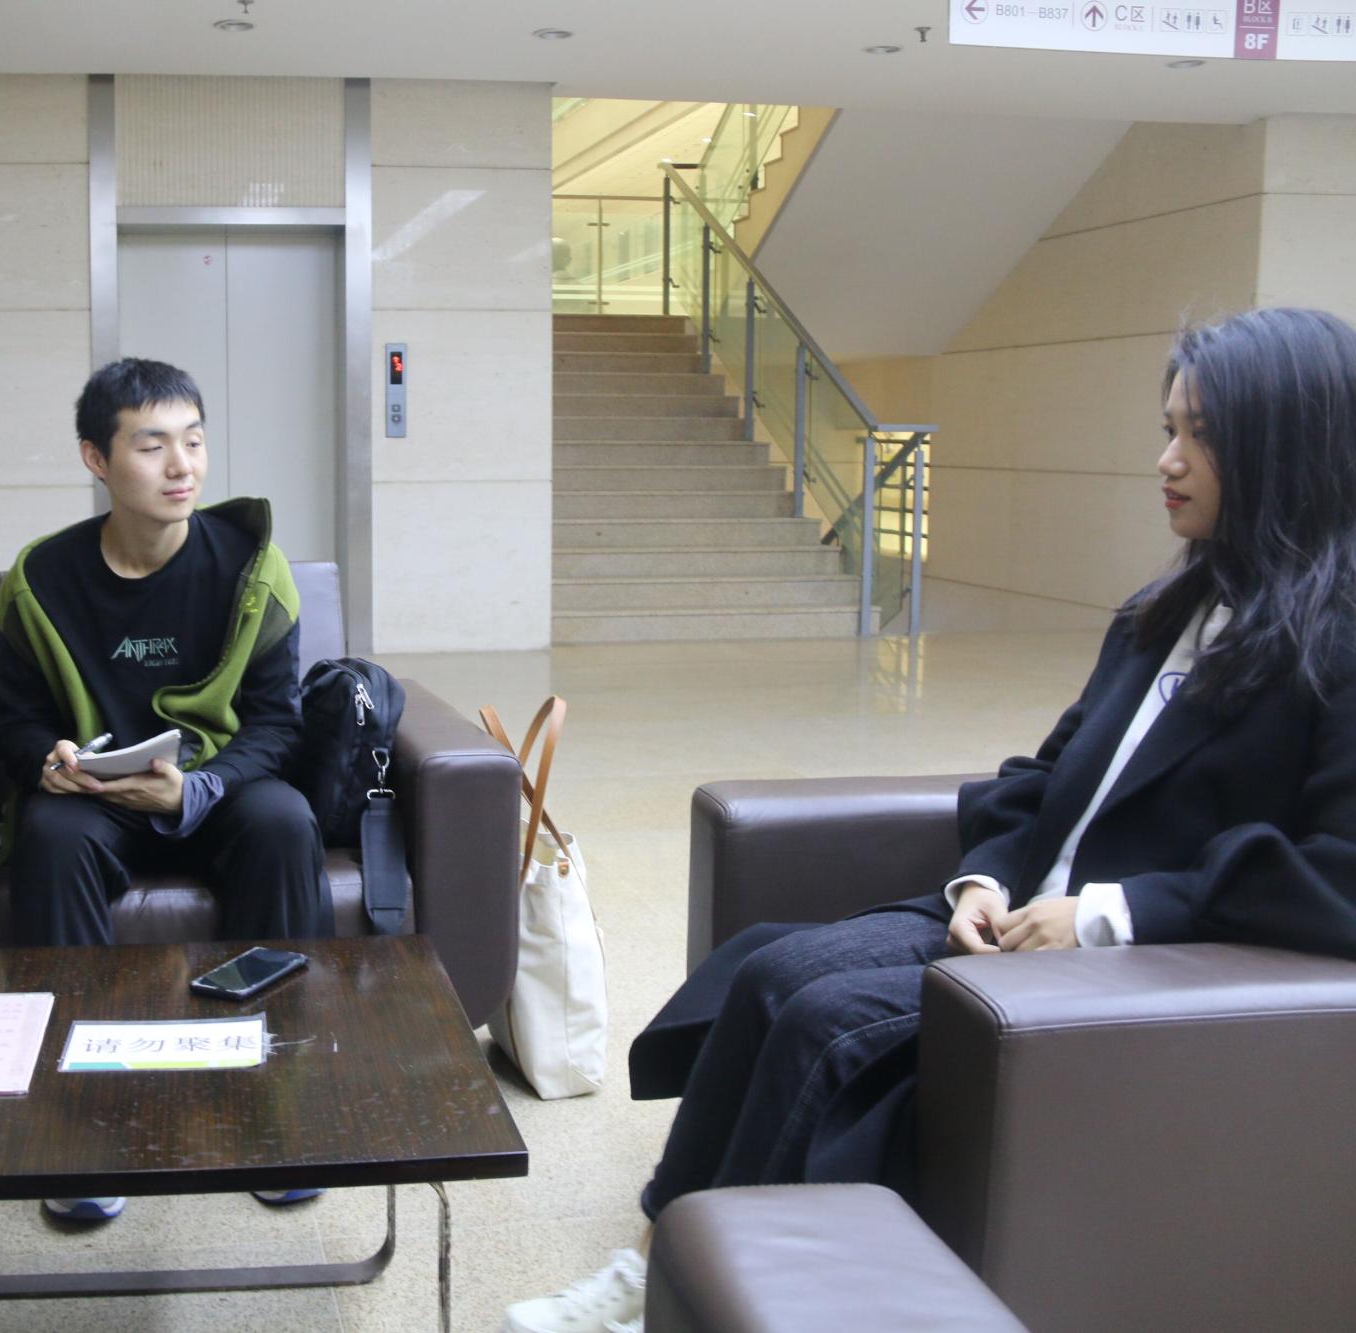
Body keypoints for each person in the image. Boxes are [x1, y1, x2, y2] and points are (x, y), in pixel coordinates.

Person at [504, 305, 1356, 1333]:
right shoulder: (1164, 613)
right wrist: (984, 878)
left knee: (824, 1022)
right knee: (771, 968)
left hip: (1122, 972)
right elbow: (1043, 775)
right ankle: (663, 1258)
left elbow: (1337, 876)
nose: (1166, 460)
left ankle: (687, 1288)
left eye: (1200, 436)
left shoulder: (1334, 649)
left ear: (1282, 448)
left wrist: (1106, 915)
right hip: (1016, 924)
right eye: (1168, 427)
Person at [0, 356, 330, 1221]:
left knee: (283, 819)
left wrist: (197, 790)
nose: (182, 466)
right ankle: (84, 1122)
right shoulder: (40, 579)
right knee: (49, 836)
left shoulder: (252, 568)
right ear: (96, 459)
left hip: (213, 784)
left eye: (194, 441)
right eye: (152, 446)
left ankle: (277, 1099)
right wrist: (48, 760)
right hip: (94, 800)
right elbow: (15, 719)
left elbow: (276, 723)